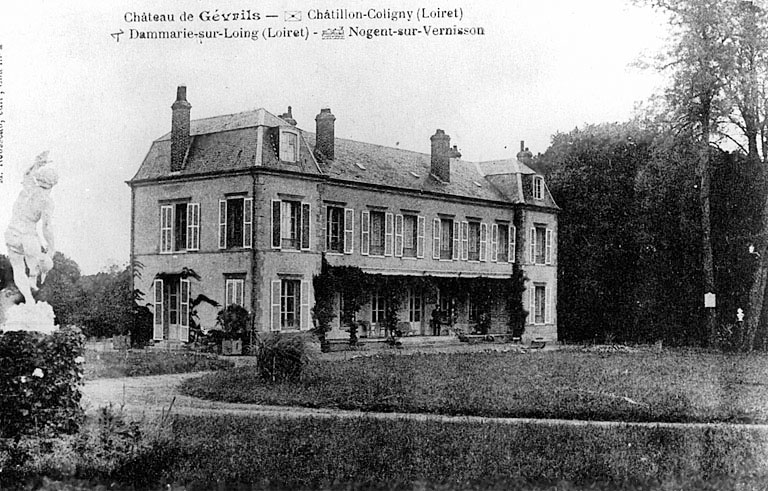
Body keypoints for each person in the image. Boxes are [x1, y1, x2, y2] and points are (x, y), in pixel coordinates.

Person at [4, 151, 58, 304]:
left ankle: (29, 299)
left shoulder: (28, 187)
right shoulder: (47, 200)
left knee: (18, 268)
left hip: (12, 234)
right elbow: (46, 227)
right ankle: (34, 277)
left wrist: (37, 163)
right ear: (52, 184)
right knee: (44, 261)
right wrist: (51, 247)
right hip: (28, 235)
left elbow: (27, 173)